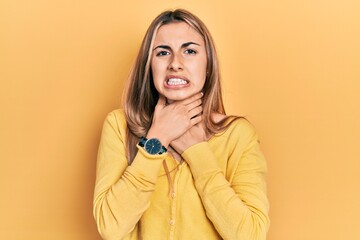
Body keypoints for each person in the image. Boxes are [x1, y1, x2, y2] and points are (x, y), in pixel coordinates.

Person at [93, 9, 270, 240]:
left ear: (208, 65)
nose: (175, 63)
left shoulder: (238, 135)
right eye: (163, 52)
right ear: (149, 66)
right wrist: (156, 140)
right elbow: (111, 228)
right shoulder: (119, 126)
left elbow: (251, 235)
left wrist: (197, 151)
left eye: (189, 51)